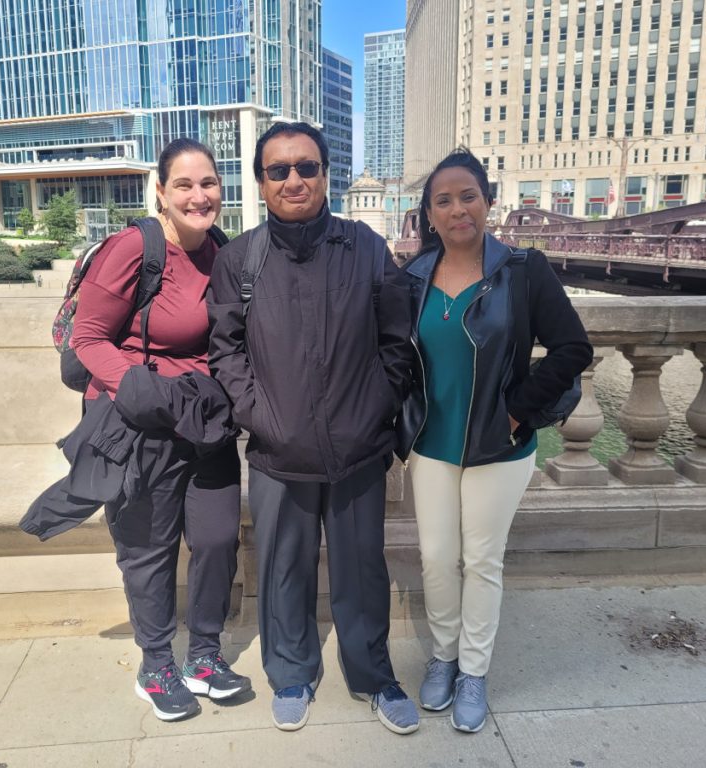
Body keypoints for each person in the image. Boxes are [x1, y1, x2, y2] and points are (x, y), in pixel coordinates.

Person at [207, 122, 419, 734]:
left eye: (307, 167)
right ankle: (292, 672)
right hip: (276, 451)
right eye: (279, 170)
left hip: (358, 447)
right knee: (281, 567)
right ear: (261, 181)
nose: (294, 179)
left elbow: (396, 339)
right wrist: (261, 417)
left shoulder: (365, 248)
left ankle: (374, 675)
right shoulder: (239, 259)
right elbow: (227, 353)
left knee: (362, 569)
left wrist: (375, 406)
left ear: (325, 174)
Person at [397, 149, 593, 733]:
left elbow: (572, 349)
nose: (457, 209)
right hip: (430, 442)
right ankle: (444, 655)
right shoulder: (411, 279)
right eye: (443, 200)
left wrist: (518, 412)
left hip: (499, 447)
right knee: (436, 558)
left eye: (468, 196)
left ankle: (474, 671)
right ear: (428, 214)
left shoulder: (524, 270)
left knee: (481, 560)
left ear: (488, 202)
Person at [69, 138, 250, 722]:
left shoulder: (222, 251)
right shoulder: (133, 249)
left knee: (219, 538)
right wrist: (142, 391)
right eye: (185, 185)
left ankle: (202, 655)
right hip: (141, 423)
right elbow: (88, 338)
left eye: (209, 183)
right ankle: (155, 664)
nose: (200, 196)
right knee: (148, 549)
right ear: (162, 193)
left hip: (204, 422)